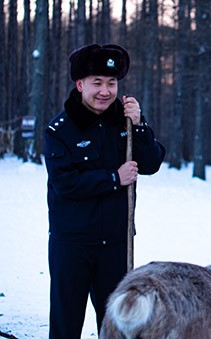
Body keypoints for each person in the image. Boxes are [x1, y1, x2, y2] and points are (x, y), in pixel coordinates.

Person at [44, 43, 165, 339]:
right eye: (97, 82)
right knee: (66, 322)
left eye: (111, 83)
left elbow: (151, 163)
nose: (105, 91)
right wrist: (114, 178)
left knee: (117, 325)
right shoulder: (60, 130)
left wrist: (138, 125)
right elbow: (65, 183)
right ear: (80, 84)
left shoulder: (122, 122)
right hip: (72, 243)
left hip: (116, 241)